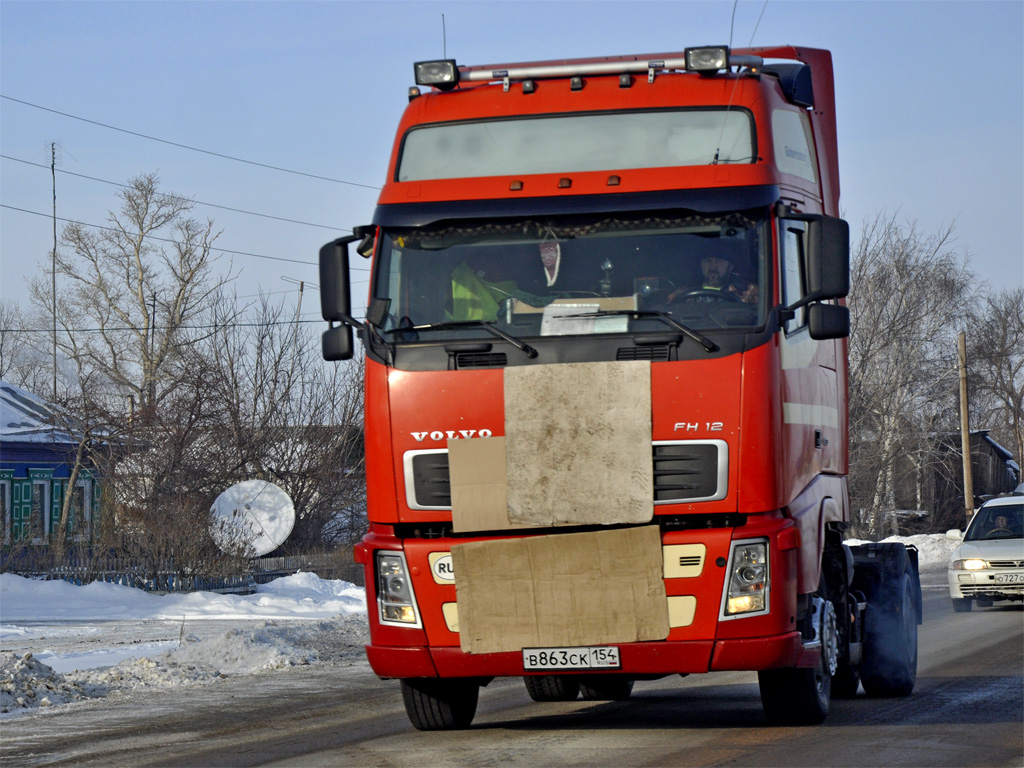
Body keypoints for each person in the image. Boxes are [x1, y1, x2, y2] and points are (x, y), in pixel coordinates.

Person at [667, 254, 758, 304]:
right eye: (708, 261)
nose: (713, 267)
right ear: (701, 265)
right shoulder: (683, 293)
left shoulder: (745, 291)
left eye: (719, 261)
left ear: (730, 266)